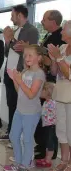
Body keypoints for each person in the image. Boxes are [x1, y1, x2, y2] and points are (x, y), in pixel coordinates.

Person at [0, 5, 40, 142]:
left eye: (13, 15)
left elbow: (30, 53)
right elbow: (8, 51)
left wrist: (11, 40)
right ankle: (11, 133)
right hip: (10, 73)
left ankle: (19, 136)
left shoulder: (31, 30)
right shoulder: (15, 31)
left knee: (20, 105)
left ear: (20, 15)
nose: (11, 18)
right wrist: (8, 41)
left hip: (22, 74)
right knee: (11, 104)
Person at [3, 44, 46, 171]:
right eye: (25, 55)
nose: (26, 57)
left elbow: (32, 94)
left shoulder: (39, 74)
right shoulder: (25, 71)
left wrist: (20, 81)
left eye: (30, 55)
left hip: (31, 113)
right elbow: (19, 91)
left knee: (27, 139)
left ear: (38, 58)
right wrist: (15, 80)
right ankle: (18, 161)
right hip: (19, 110)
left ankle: (25, 164)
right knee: (13, 136)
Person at [35, 10, 65, 160]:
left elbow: (57, 67)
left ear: (53, 21)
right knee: (42, 116)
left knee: (50, 121)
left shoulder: (60, 39)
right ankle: (41, 146)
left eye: (44, 19)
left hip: (52, 85)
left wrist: (47, 59)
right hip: (44, 79)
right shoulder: (48, 36)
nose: (41, 21)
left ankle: (49, 150)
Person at [47, 20, 71, 171]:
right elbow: (55, 72)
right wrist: (53, 59)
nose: (61, 32)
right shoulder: (62, 47)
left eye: (64, 29)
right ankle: (64, 160)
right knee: (60, 129)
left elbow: (69, 74)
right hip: (60, 94)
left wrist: (59, 58)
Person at [35, 82, 56, 168]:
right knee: (47, 142)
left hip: (51, 126)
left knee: (50, 143)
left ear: (47, 92)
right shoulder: (46, 102)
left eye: (41, 91)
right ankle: (46, 157)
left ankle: (48, 160)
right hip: (47, 125)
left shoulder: (52, 103)